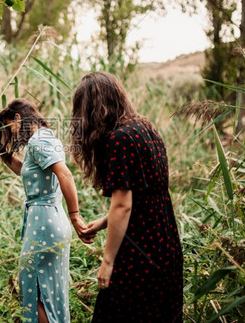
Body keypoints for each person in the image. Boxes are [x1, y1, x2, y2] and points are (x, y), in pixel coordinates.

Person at [70, 72, 183, 322]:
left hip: (140, 252)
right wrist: (102, 222)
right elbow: (145, 196)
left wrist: (107, 262)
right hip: (166, 244)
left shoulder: (119, 139)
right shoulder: (145, 128)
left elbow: (123, 206)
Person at [0, 98, 93, 323]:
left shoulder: (38, 141)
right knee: (47, 289)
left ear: (18, 118)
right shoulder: (45, 138)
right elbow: (22, 170)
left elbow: (65, 174)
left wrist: (75, 215)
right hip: (48, 220)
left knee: (35, 290)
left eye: (10, 128)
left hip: (44, 224)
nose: (13, 135)